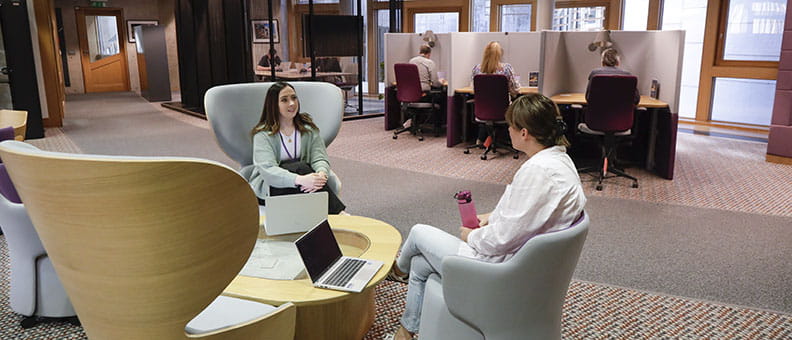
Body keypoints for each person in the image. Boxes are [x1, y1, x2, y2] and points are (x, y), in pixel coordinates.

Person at [386, 93, 587, 340]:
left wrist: (472, 236)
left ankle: (397, 271)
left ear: (524, 133)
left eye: (511, 127)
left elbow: (500, 240)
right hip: (525, 265)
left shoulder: (537, 172)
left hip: (498, 271)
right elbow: (535, 211)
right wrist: (494, 215)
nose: (508, 131)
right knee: (420, 264)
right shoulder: (560, 161)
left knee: (417, 233)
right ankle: (406, 331)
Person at [248, 82, 347, 214]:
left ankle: (331, 217)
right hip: (271, 187)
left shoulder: (309, 129)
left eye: (294, 98)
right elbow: (268, 171)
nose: (291, 103)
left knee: (305, 171)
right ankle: (338, 214)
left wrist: (321, 175)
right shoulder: (262, 134)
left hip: (303, 185)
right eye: (284, 100)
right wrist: (301, 180)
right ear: (273, 105)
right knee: (301, 168)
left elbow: (320, 158)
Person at [470, 41, 521, 144]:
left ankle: (481, 138)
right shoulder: (507, 68)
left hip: (482, 111)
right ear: (500, 54)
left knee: (488, 106)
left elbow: (472, 90)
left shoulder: (477, 69)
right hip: (503, 111)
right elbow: (515, 90)